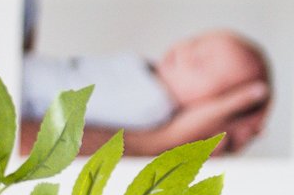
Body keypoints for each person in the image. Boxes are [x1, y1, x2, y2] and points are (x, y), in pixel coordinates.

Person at [22, 30, 272, 157]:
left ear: (208, 109)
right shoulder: (148, 83)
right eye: (193, 42)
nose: (184, 51)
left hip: (26, 90)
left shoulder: (151, 104)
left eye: (198, 64)